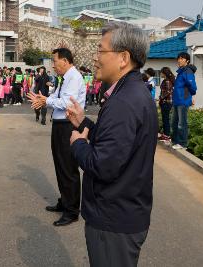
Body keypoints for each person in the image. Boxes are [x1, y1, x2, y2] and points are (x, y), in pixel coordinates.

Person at [66, 22, 157, 267]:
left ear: (123, 58)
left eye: (100, 51)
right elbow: (117, 145)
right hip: (122, 211)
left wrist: (78, 144)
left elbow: (103, 165)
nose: (95, 58)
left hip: (113, 218)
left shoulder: (124, 102)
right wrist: (83, 121)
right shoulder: (131, 93)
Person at [28, 48, 86, 227]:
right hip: (60, 125)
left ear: (66, 61)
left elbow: (68, 102)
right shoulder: (65, 78)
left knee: (68, 168)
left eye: (55, 61)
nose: (53, 65)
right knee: (61, 165)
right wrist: (44, 97)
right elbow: (57, 96)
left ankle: (72, 211)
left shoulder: (74, 77)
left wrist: (46, 101)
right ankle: (65, 201)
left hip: (68, 125)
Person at [172, 52, 197, 150]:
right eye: (178, 58)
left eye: (182, 58)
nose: (179, 60)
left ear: (187, 61)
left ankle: (183, 144)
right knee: (174, 122)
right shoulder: (181, 72)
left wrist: (189, 96)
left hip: (183, 100)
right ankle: (175, 141)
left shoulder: (188, 71)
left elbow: (193, 86)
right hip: (177, 100)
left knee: (182, 123)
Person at [158, 67, 175, 142]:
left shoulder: (167, 81)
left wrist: (161, 97)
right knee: (165, 119)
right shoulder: (166, 80)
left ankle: (167, 135)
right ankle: (165, 134)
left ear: (164, 73)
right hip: (165, 102)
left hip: (166, 102)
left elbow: (168, 91)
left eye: (161, 72)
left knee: (166, 119)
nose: (160, 74)